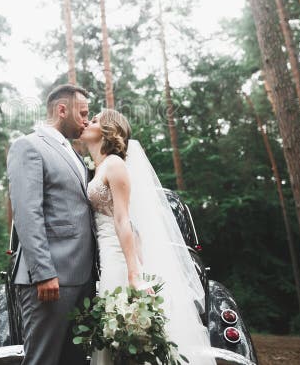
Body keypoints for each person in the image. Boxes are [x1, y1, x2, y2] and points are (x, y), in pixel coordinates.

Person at [81, 109, 214, 365]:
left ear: (109, 130)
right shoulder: (98, 167)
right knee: (114, 338)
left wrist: (133, 274)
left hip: (119, 259)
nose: (88, 121)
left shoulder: (115, 164)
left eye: (95, 120)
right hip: (105, 257)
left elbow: (123, 220)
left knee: (124, 334)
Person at [7, 84, 97, 365]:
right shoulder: (29, 146)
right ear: (62, 110)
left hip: (82, 279)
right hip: (50, 280)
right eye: (82, 113)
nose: (86, 120)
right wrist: (43, 272)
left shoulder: (74, 154)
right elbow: (26, 213)